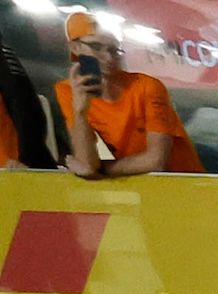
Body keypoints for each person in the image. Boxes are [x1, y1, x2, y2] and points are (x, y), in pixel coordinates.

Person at [54, 11, 199, 177]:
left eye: (114, 50)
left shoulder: (146, 86)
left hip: (184, 181)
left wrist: (103, 170)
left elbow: (156, 161)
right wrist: (80, 112)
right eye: (96, 47)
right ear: (75, 47)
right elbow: (87, 165)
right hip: (135, 183)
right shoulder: (68, 91)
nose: (108, 57)